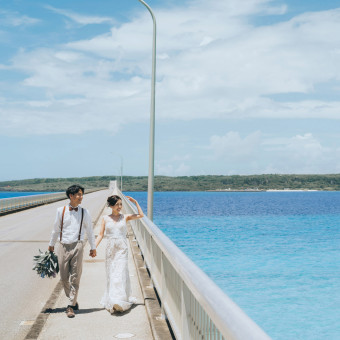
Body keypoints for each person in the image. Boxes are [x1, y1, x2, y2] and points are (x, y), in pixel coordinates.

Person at [48, 184, 97, 318]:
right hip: (62, 245)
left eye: (82, 194)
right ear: (71, 196)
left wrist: (93, 247)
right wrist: (51, 244)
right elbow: (55, 229)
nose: (81, 197)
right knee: (64, 277)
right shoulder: (60, 210)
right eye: (79, 194)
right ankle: (73, 300)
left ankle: (70, 305)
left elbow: (90, 231)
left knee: (75, 277)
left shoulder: (84, 212)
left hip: (78, 245)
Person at [95, 194, 144, 313]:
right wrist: (93, 247)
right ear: (111, 205)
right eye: (117, 204)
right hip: (111, 249)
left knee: (121, 272)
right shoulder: (105, 218)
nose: (120, 206)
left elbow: (141, 215)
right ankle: (113, 299)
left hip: (122, 248)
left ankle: (120, 301)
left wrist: (135, 202)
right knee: (112, 273)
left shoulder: (125, 217)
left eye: (121, 204)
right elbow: (101, 235)